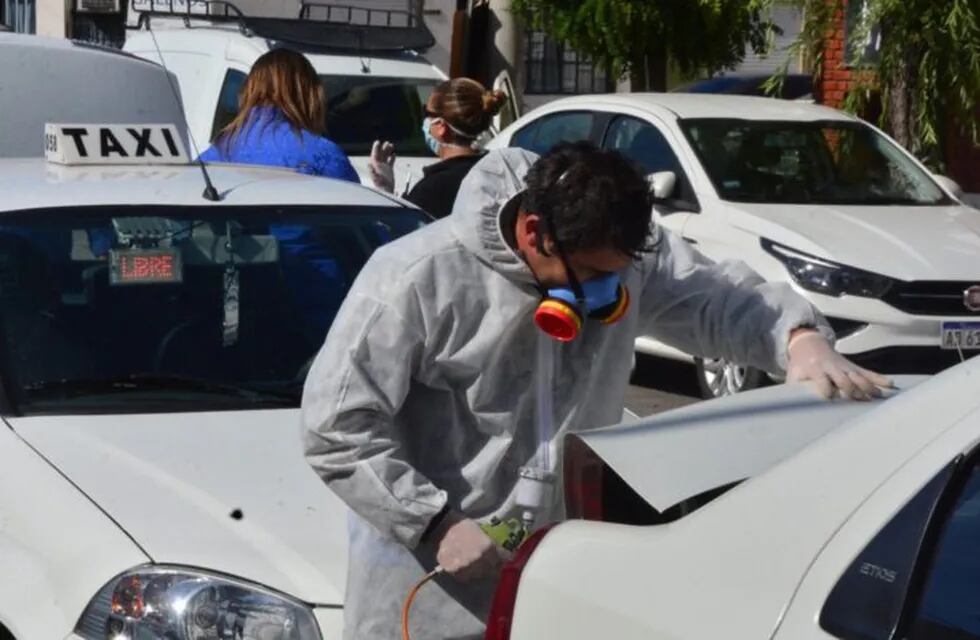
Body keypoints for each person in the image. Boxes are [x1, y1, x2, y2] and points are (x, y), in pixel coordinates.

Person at [301, 143, 892, 640]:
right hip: (430, 584)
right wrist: (433, 523)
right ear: (536, 234)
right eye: (591, 275)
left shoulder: (620, 255)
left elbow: (711, 297)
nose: (608, 292)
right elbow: (336, 428)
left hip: (558, 574)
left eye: (620, 273)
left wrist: (797, 337)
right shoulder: (416, 279)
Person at [199, 48, 358, 182]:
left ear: (249, 90)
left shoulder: (222, 148)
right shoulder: (322, 153)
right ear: (309, 94)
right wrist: (382, 186)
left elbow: (185, 193)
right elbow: (356, 211)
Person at [368, 77, 506, 218]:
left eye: (426, 113)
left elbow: (403, 234)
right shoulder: (498, 172)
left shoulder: (431, 190)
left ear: (441, 126)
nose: (425, 121)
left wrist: (386, 195)